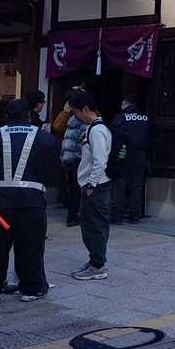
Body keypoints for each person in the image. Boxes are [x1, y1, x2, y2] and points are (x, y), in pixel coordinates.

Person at [0, 97, 59, 305]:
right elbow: (54, 171)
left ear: (7, 116)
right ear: (28, 115)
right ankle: (31, 289)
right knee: (30, 246)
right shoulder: (46, 139)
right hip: (31, 204)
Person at [68, 90, 113, 280]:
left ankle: (97, 265)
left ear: (85, 109)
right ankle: (95, 260)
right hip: (94, 184)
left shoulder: (97, 130)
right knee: (92, 224)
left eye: (76, 112)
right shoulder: (93, 128)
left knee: (93, 226)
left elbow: (99, 160)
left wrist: (91, 184)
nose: (75, 116)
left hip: (95, 186)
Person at [109, 98, 151, 224]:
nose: (121, 105)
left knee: (120, 185)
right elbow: (151, 136)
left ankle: (117, 216)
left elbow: (114, 136)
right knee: (137, 186)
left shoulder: (120, 117)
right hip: (140, 155)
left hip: (123, 153)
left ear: (127, 104)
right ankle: (134, 216)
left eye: (123, 103)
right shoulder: (145, 118)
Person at [52, 99, 84, 226]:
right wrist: (65, 112)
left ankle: (72, 214)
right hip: (74, 157)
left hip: (71, 157)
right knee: (75, 187)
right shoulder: (71, 118)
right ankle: (73, 215)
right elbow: (57, 127)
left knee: (74, 187)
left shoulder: (76, 118)